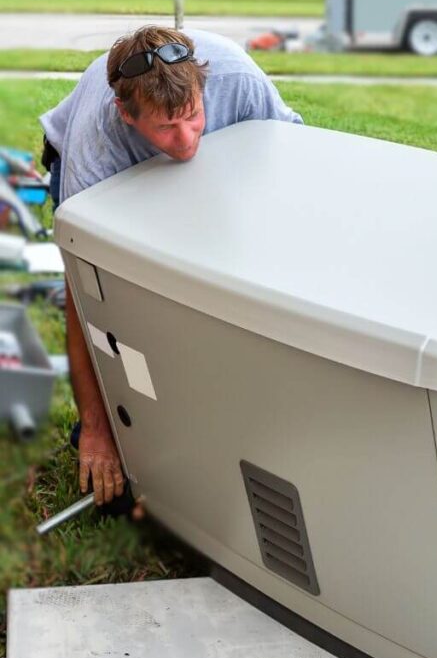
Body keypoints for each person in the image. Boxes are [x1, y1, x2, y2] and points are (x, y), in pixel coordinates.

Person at [40, 26, 302, 511]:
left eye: (193, 117)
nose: (185, 142)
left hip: (212, 169)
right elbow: (83, 294)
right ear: (126, 114)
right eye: (165, 128)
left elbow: (286, 172)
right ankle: (122, 421)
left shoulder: (239, 78)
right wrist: (97, 429)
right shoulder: (96, 147)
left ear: (204, 90)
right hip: (108, 182)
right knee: (127, 300)